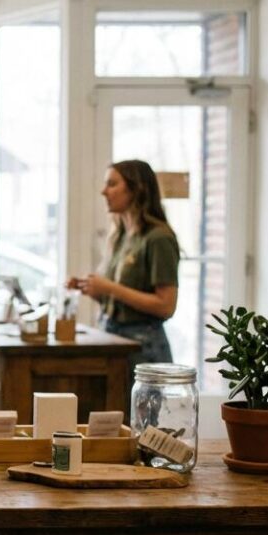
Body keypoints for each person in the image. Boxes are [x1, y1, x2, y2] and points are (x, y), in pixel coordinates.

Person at [67, 159, 180, 380]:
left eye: (111, 184)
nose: (103, 191)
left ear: (136, 189)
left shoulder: (158, 238)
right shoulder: (120, 236)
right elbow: (122, 298)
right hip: (113, 339)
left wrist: (110, 288)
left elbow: (166, 306)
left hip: (143, 349)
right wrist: (95, 290)